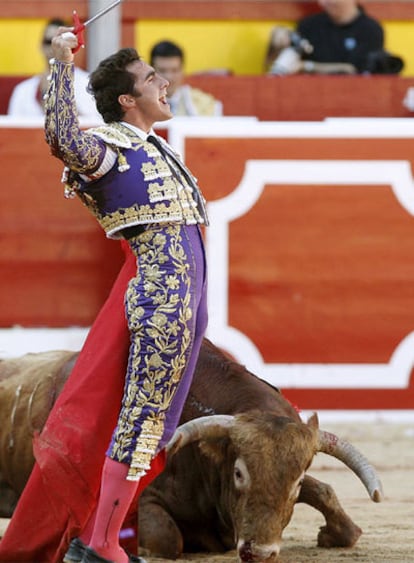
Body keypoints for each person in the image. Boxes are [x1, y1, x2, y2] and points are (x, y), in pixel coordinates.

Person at [0, 25, 209, 563]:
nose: (164, 83)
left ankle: (99, 537)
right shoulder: (110, 148)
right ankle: (100, 542)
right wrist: (61, 63)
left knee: (151, 420)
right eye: (149, 78)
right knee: (139, 420)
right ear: (126, 99)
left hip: (182, 297)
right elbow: (61, 138)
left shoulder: (150, 147)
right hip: (162, 299)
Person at [266, 0, 391, 76]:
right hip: (308, 95)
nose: (323, 2)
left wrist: (306, 66)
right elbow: (280, 69)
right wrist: (278, 45)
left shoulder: (371, 29)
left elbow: (352, 71)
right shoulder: (309, 25)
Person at [7, 18, 100, 120]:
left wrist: (58, 97)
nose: (54, 47)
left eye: (60, 42)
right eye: (49, 42)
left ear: (72, 46)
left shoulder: (89, 84)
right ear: (41, 46)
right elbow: (13, 132)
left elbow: (94, 129)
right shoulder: (23, 90)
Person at [150, 40, 223, 116]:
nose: (169, 77)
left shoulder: (204, 104)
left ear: (182, 70)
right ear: (151, 71)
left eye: (175, 70)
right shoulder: (140, 103)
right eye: (162, 71)